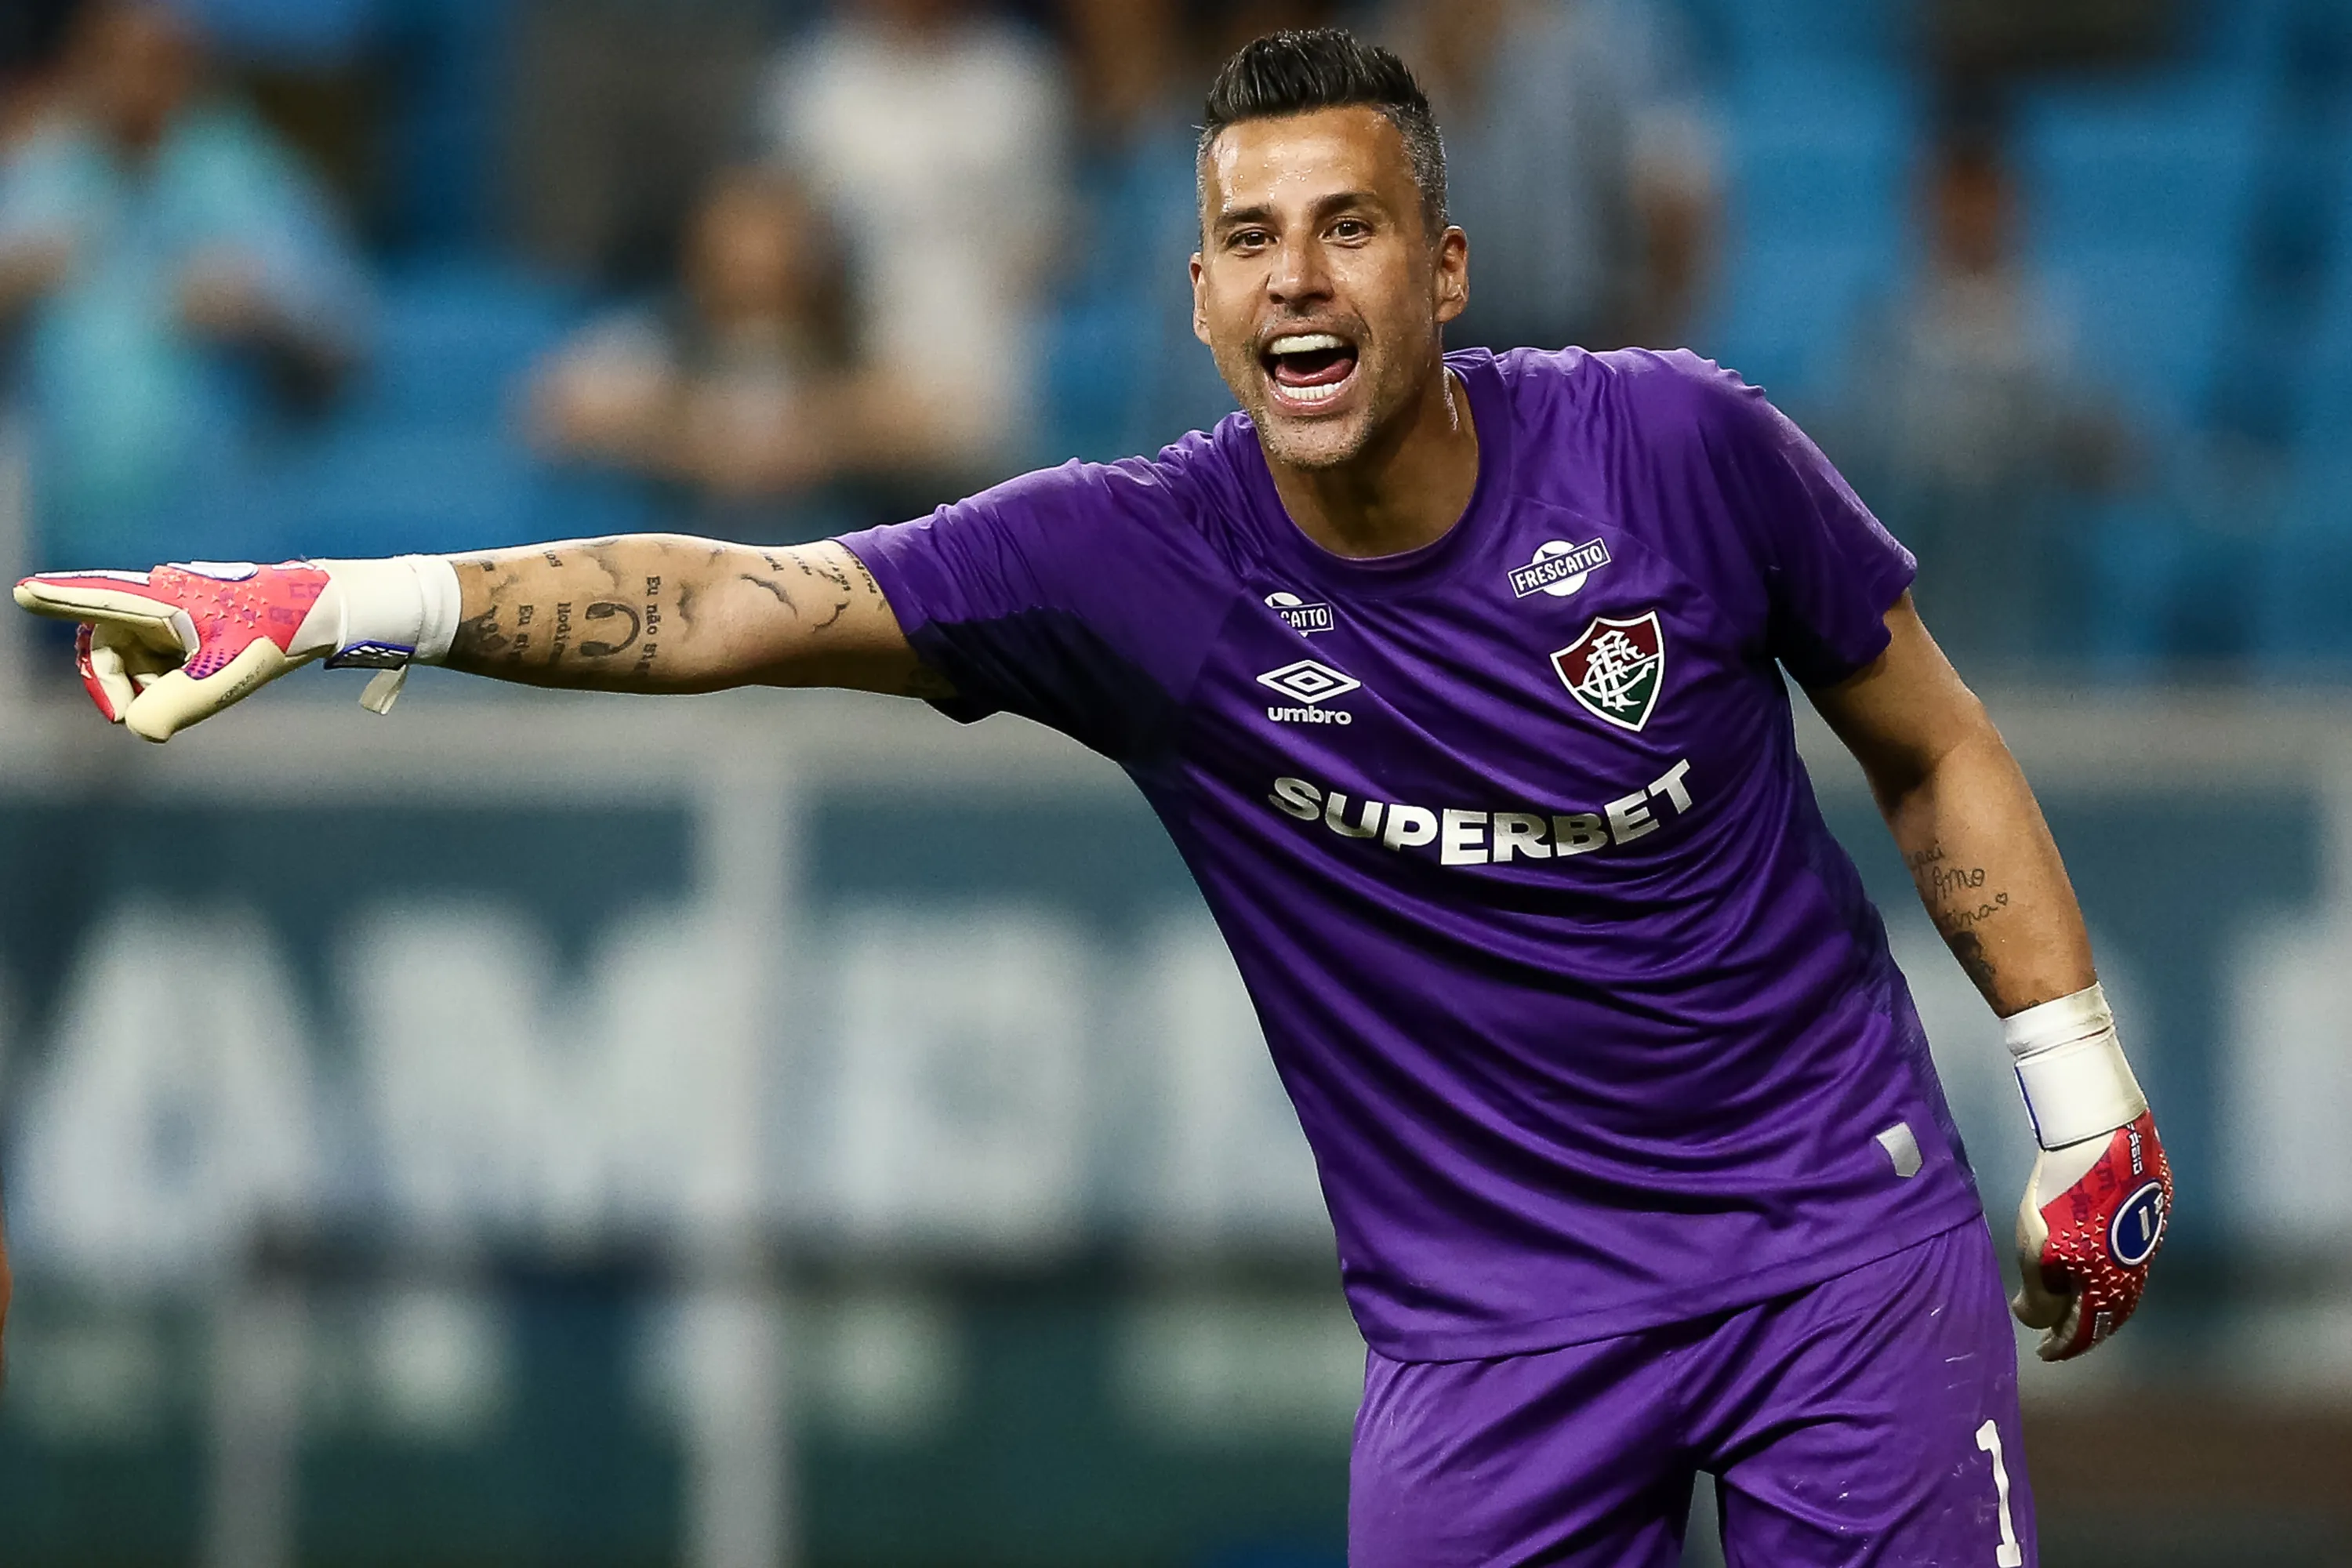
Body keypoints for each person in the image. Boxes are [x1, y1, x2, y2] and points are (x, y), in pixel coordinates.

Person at [18, 30, 2169, 1567]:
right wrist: (336, 602)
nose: (1298, 275)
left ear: (1444, 273)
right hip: (1493, 1345)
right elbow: (726, 604)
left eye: (1350, 228)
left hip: (1833, 1257)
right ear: (1207, 294)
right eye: (1250, 239)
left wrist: (2080, 1097)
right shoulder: (1133, 563)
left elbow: (1931, 740)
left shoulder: (1681, 450)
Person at [0, 0, 368, 569]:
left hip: (215, 542)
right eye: (113, 59)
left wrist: (263, 315)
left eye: (161, 61)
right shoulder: (37, 172)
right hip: (47, 539)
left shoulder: (248, 180)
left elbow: (345, 347)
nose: (135, 80)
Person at [528, 167, 854, 543]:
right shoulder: (660, 332)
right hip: (676, 554)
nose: (753, 276)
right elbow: (559, 405)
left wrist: (819, 431)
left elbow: (918, 412)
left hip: (823, 557)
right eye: (735, 258)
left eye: (775, 259)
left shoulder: (846, 340)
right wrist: (693, 433)